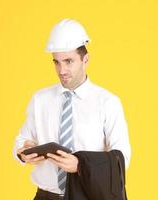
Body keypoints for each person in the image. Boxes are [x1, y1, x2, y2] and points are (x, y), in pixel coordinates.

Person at [12, 18, 131, 200]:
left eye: (68, 61)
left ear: (85, 59)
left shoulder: (108, 102)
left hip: (87, 196)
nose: (62, 70)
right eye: (56, 62)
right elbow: (22, 140)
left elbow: (121, 158)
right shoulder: (40, 99)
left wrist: (81, 165)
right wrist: (22, 152)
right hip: (46, 196)